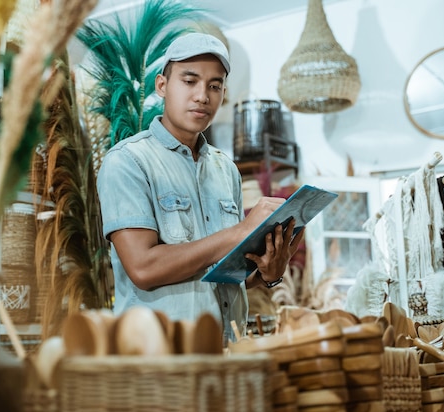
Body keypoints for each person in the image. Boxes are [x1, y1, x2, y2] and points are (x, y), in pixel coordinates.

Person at [96, 32, 303, 343]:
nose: (202, 96)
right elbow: (143, 268)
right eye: (189, 81)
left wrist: (266, 274)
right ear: (162, 85)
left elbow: (225, 277)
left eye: (214, 86)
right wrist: (240, 231)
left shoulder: (225, 170)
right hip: (158, 360)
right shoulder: (127, 161)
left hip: (226, 353)